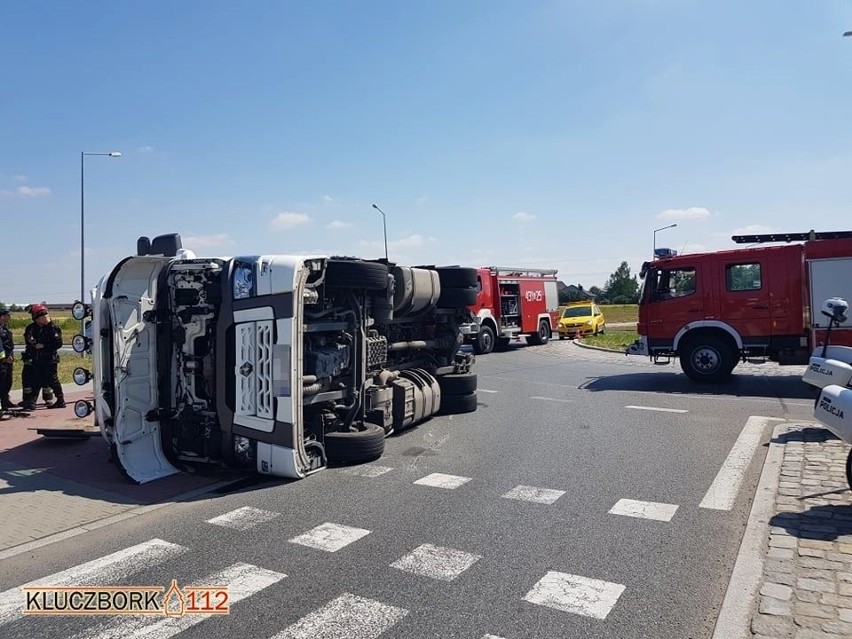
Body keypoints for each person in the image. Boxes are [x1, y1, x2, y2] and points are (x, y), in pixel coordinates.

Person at [21, 304, 65, 409]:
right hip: (37, 358)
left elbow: (58, 343)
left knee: (52, 380)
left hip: (49, 359)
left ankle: (60, 400)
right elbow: (28, 338)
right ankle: (32, 401)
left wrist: (43, 346)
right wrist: (32, 343)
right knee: (36, 379)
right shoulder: (31, 328)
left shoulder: (52, 328)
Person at [0, 306, 13, 419]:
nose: (10, 317)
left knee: (7, 382)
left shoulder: (5, 327)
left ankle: (5, 403)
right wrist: (4, 358)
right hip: (2, 361)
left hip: (8, 359)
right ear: (2, 316)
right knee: (2, 384)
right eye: (8, 315)